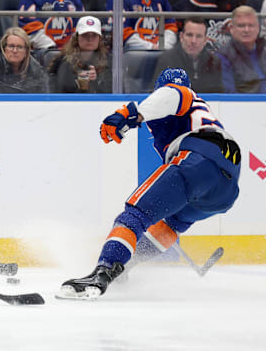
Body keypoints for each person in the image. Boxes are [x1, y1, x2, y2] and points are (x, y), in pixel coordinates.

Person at [57, 68, 241, 300]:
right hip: (226, 187)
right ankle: (124, 264)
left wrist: (129, 114)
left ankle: (102, 272)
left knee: (134, 216)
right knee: (172, 224)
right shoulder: (194, 115)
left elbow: (172, 95)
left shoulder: (181, 95)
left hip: (200, 158)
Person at [153, 17, 223, 93]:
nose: (193, 41)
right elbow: (158, 94)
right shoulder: (167, 60)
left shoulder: (214, 61)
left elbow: (219, 94)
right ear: (181, 37)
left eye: (199, 36)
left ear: (205, 40)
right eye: (189, 35)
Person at [48, 16, 112, 93]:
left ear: (99, 38)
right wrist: (79, 82)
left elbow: (112, 91)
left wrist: (97, 81)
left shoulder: (109, 61)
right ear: (77, 37)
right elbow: (61, 90)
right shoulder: (64, 61)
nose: (90, 39)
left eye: (94, 35)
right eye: (85, 35)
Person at [0, 27, 48, 93]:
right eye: (11, 46)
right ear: (4, 48)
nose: (15, 50)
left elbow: (44, 96)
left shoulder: (35, 69)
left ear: (26, 51)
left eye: (19, 47)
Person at [216, 5, 266, 93]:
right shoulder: (222, 56)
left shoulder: (264, 51)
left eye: (251, 25)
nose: (246, 30)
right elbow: (229, 95)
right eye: (241, 26)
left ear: (258, 28)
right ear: (231, 28)